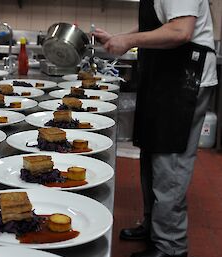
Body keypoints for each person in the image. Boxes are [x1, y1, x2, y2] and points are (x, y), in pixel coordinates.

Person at [93, 1, 218, 257]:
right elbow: (160, 23)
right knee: (152, 154)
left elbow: (180, 30)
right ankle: (155, 228)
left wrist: (128, 42)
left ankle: (171, 246)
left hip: (184, 78)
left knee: (170, 162)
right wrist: (122, 38)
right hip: (165, 75)